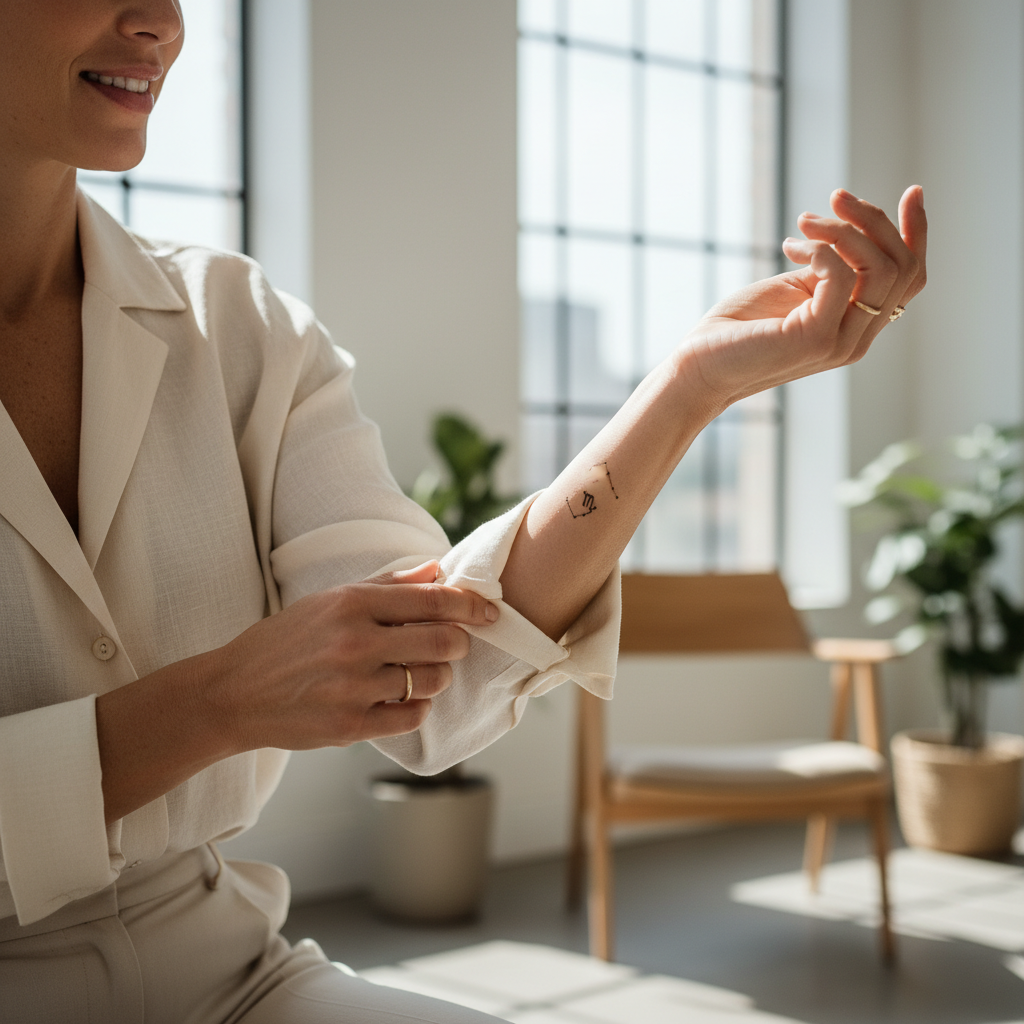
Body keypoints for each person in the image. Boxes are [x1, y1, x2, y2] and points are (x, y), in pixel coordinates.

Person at [0, 2, 927, 1022]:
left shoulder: (235, 323)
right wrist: (219, 698)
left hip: (227, 972)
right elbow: (250, 693)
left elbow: (433, 677)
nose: (159, 23)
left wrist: (689, 387)